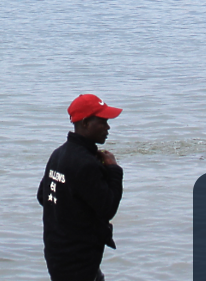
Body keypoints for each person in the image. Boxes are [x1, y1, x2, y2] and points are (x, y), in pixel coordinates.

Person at [37, 94, 123, 281]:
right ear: (85, 123)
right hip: (78, 259)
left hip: (56, 252)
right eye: (102, 122)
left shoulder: (58, 154)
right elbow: (108, 208)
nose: (108, 127)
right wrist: (114, 170)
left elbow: (43, 196)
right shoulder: (85, 163)